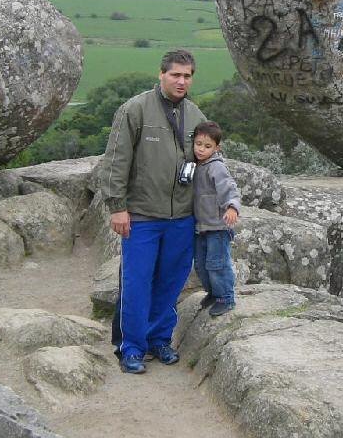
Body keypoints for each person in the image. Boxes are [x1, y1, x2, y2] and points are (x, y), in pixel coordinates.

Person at [100, 49, 206, 374]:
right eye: (175, 74)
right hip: (143, 216)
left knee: (170, 283)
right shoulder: (135, 109)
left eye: (187, 75)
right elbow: (116, 162)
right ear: (161, 74)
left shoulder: (196, 115)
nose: (181, 81)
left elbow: (209, 163)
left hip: (182, 218)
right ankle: (131, 347)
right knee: (136, 283)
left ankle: (159, 339)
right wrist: (117, 208)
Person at [192, 120, 240, 317]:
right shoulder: (195, 165)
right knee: (201, 265)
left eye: (207, 146)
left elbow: (229, 188)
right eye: (198, 144)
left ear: (216, 148)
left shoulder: (216, 167)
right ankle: (213, 293)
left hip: (218, 227)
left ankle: (226, 298)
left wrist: (232, 207)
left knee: (217, 264)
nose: (201, 149)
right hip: (201, 226)